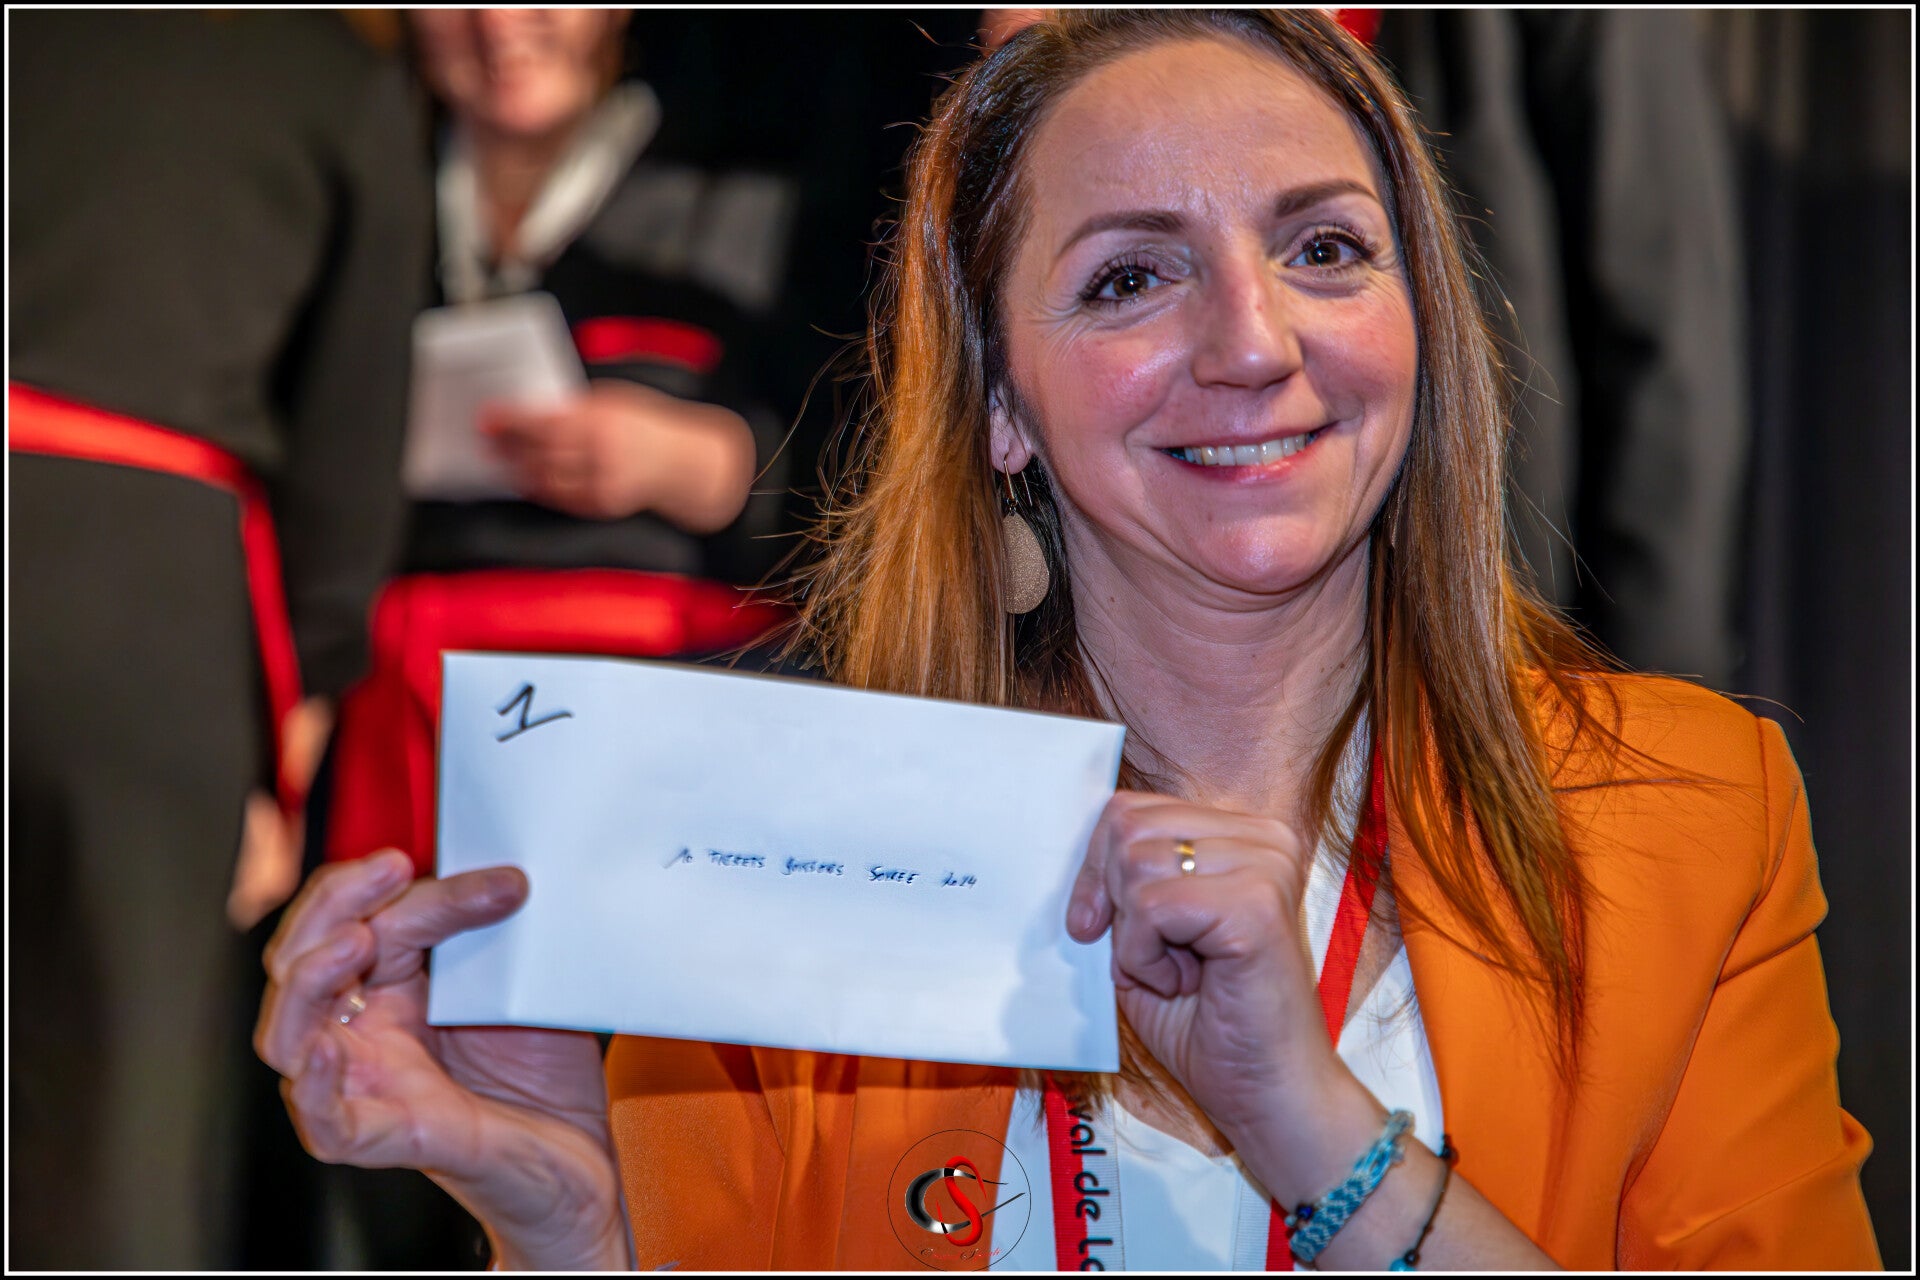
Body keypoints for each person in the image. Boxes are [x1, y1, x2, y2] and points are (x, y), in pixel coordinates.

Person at [256, 11, 1879, 1270]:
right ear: (1000, 401)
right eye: (1130, 279)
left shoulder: (1690, 814)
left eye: (1325, 248)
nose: (1253, 340)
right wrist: (572, 1230)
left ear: (1422, 321)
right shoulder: (783, 855)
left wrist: (1318, 1138)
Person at [9, 10, 431, 1267]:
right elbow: (353, 446)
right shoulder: (332, 79)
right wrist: (284, 749)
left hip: (134, 575)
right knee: (122, 1107)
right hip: (143, 607)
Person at [323, 9, 790, 875]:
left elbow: (882, 473)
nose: (499, 23)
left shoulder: (749, 186)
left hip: (670, 675)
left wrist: (695, 462)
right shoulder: (356, 182)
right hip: (402, 700)